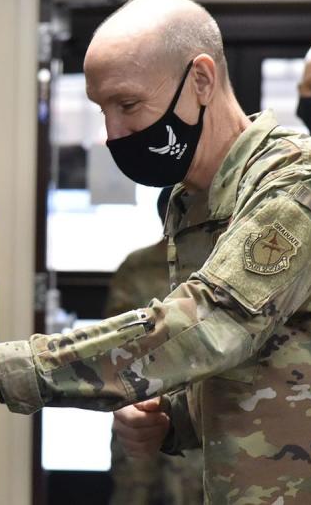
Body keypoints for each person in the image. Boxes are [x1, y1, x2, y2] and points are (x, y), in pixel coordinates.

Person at [0, 0, 311, 503]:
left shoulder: (301, 182)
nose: (112, 133)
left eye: (128, 105)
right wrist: (174, 420)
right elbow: (275, 362)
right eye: (102, 109)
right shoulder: (194, 204)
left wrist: (2, 366)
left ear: (201, 81)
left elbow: (212, 324)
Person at [105, 188, 203, 505]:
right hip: (142, 403)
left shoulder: (213, 268)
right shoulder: (138, 265)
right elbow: (112, 344)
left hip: (195, 408)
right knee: (137, 491)